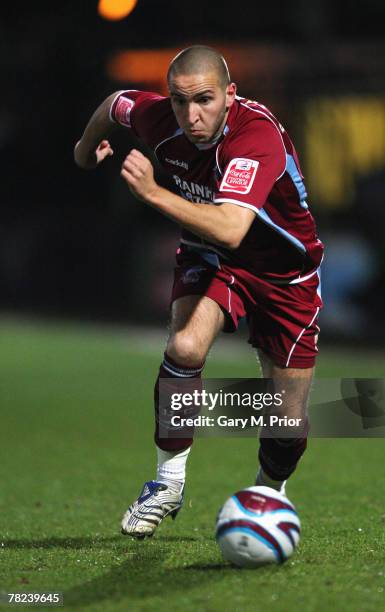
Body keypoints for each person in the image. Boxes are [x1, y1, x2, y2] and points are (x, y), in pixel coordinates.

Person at [74, 45, 324, 540]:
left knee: (286, 424)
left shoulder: (256, 135)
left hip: (283, 274)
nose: (191, 115)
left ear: (230, 95)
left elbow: (233, 226)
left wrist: (152, 193)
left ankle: (267, 491)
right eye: (180, 101)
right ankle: (168, 482)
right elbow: (115, 104)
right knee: (183, 347)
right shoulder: (160, 118)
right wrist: (84, 152)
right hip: (211, 256)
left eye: (205, 100)